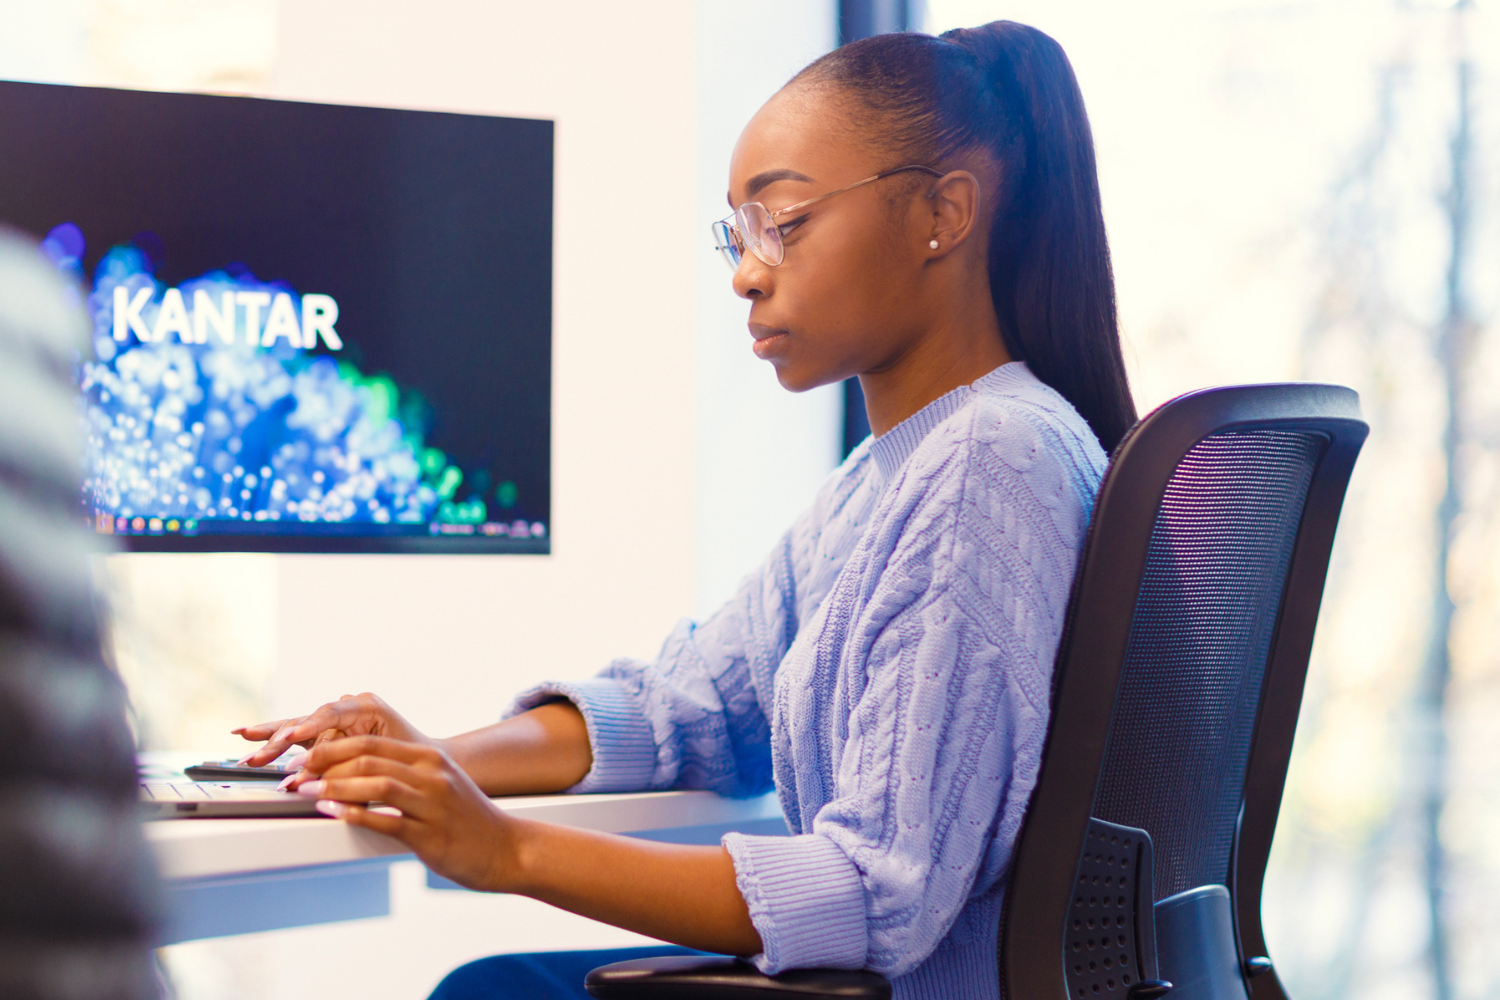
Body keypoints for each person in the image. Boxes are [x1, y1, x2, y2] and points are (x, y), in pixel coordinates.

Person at [235, 21, 1135, 1000]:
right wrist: (430, 759)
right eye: (736, 236)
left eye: (782, 222)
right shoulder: (891, 475)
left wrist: (501, 849)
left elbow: (874, 897)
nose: (747, 272)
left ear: (943, 213)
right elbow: (691, 706)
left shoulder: (986, 466)